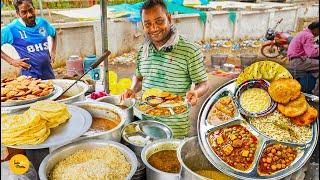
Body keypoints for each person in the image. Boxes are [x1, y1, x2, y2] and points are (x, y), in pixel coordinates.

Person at [121, 0, 208, 138]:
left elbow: (202, 84)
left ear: (168, 18)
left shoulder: (190, 50)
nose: (154, 28)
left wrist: (196, 92)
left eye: (159, 21)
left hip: (176, 130)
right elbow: (139, 78)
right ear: (143, 26)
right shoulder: (142, 50)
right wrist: (132, 89)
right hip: (148, 126)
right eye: (147, 24)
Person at [1, 0, 57, 80]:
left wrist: (53, 51)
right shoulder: (12, 29)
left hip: (48, 73)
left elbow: (54, 34)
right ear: (18, 14)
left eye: (31, 10)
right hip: (30, 76)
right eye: (24, 12)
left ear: (34, 9)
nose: (29, 15)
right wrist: (12, 61)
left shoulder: (43, 23)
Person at [287, 21, 319, 95]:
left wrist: (316, 47)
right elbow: (311, 53)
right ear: (316, 29)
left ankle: (314, 93)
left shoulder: (303, 33)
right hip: (298, 61)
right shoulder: (309, 36)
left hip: (293, 60)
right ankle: (316, 94)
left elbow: (307, 47)